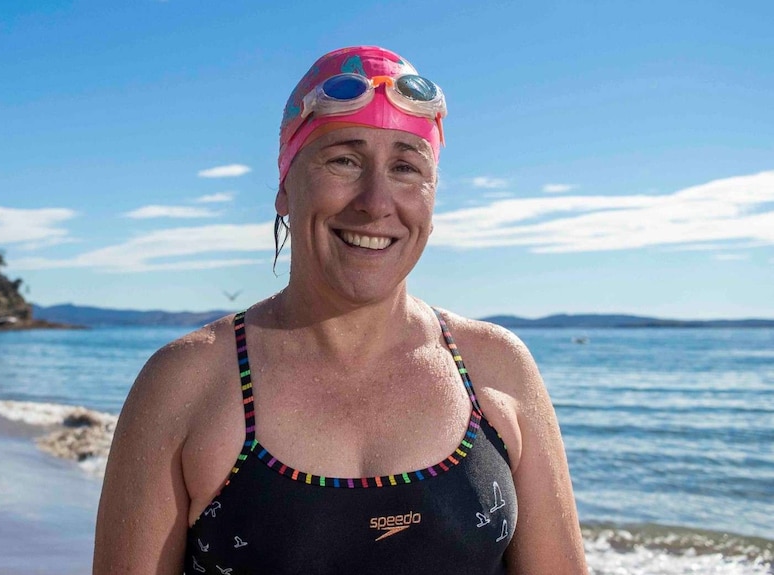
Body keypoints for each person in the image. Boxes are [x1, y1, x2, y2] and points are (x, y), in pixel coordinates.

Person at [93, 46, 588, 575]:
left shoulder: (495, 366)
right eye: (344, 160)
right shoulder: (186, 382)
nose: (376, 202)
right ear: (284, 187)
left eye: (405, 167)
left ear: (432, 196)